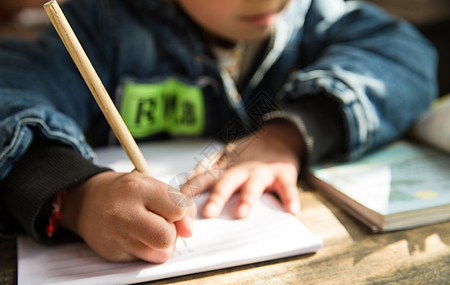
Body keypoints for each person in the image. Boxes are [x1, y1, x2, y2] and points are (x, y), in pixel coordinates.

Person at [0, 0, 438, 263]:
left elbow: (403, 56)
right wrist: (77, 196)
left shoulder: (310, 13)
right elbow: (10, 90)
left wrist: (291, 133)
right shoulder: (100, 27)